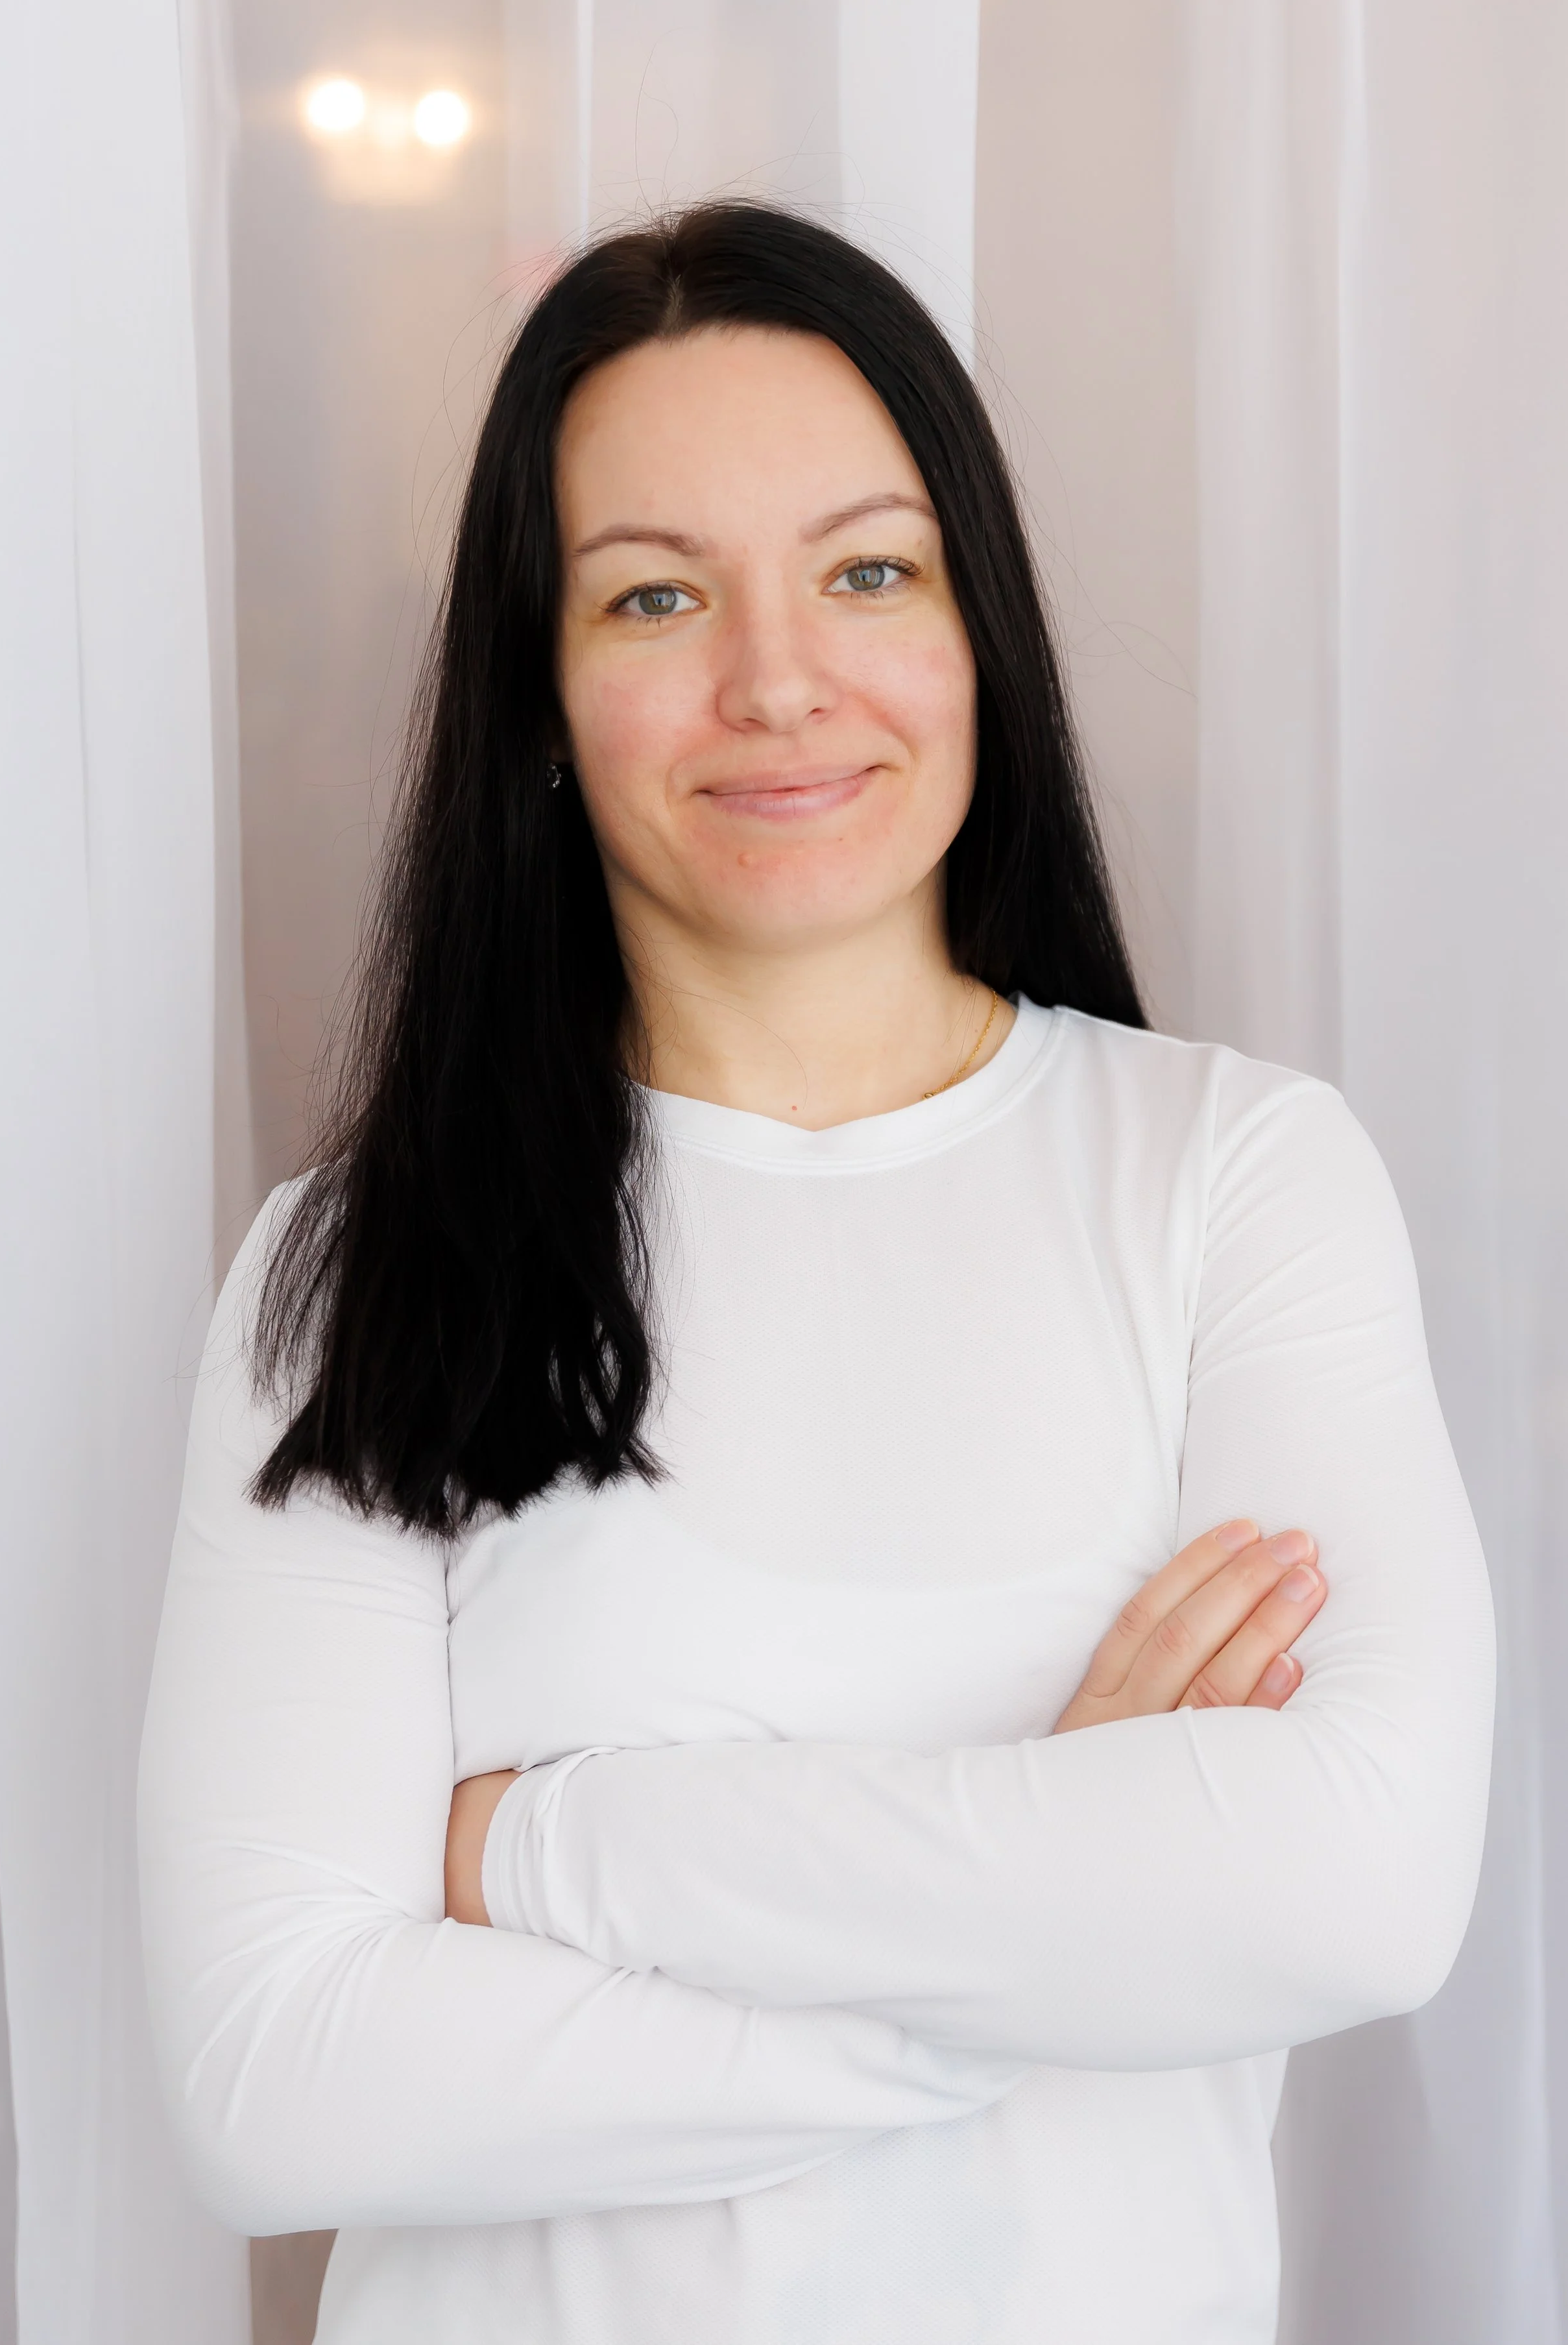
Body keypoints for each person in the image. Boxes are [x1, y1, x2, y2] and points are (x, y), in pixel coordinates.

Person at [137, 201, 1495, 2344]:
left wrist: (548, 1854)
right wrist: (1061, 1891)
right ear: (538, 687)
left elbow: (1356, 1886)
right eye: (654, 595)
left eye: (867, 570)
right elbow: (272, 2081)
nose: (776, 680)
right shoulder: (359, 1261)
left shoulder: (1231, 1176)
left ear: (976, 632)